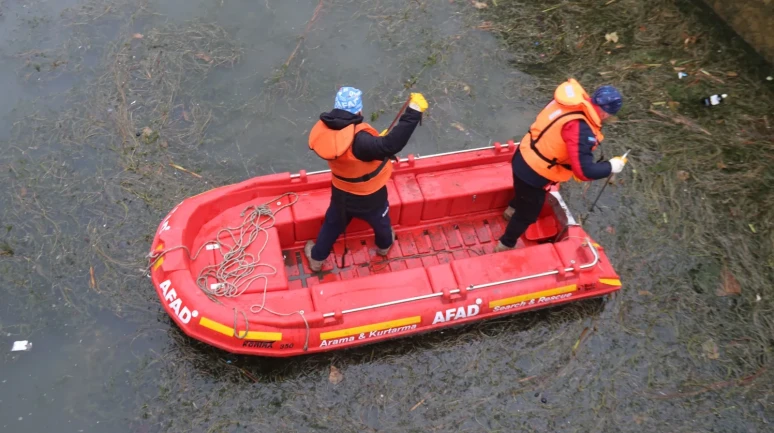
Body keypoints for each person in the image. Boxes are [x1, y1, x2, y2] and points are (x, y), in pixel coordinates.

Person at [496, 79, 628, 252]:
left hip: (524, 155)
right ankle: (505, 244)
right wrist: (611, 166)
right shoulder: (581, 128)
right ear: (606, 114)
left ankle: (511, 209)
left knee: (522, 193)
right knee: (527, 214)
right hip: (534, 173)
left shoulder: (569, 104)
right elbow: (584, 171)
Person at [304, 87, 428, 271]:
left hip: (341, 193)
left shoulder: (326, 131)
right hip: (370, 196)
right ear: (359, 111)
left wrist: (376, 143)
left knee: (332, 223)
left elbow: (358, 150)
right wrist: (413, 111)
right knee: (381, 221)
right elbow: (391, 145)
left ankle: (316, 259)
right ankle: (385, 246)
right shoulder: (362, 141)